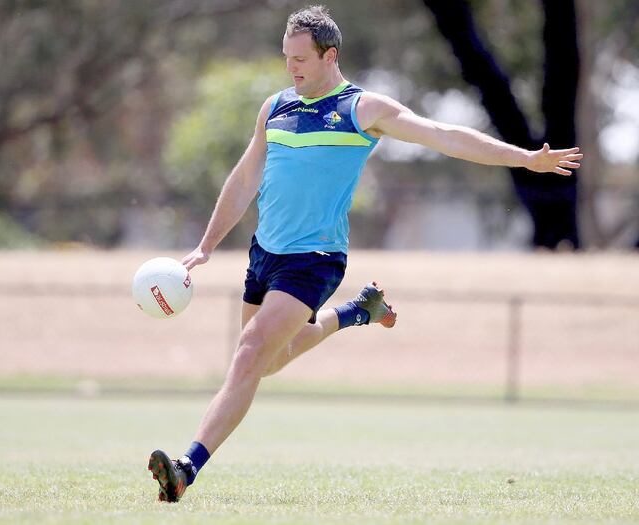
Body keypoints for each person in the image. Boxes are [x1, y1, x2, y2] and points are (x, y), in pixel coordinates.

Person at [147, 5, 582, 502]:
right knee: (267, 361)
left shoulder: (362, 109)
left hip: (314, 259)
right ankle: (356, 312)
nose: (291, 68)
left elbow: (444, 136)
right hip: (264, 253)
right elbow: (246, 178)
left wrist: (524, 158)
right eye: (287, 57)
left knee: (248, 354)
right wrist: (206, 246)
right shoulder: (276, 107)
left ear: (330, 56)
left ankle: (186, 468)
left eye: (300, 59)